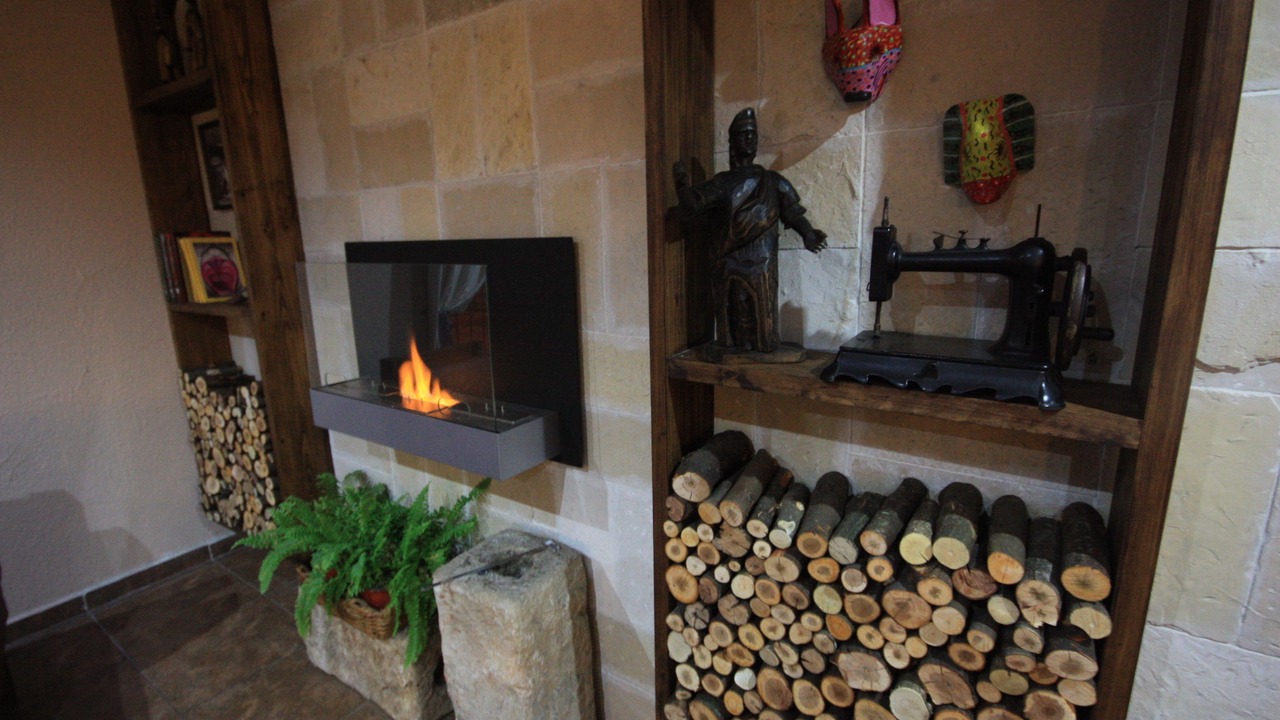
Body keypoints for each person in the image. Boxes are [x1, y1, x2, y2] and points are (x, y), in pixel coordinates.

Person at [675, 107, 827, 356]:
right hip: (727, 257)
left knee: (762, 307)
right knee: (734, 305)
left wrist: (808, 233)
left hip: (761, 260)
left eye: (753, 135)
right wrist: (681, 186)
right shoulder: (722, 181)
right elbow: (693, 204)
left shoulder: (771, 181)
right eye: (743, 134)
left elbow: (793, 212)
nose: (749, 139)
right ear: (732, 141)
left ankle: (765, 344)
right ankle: (732, 344)